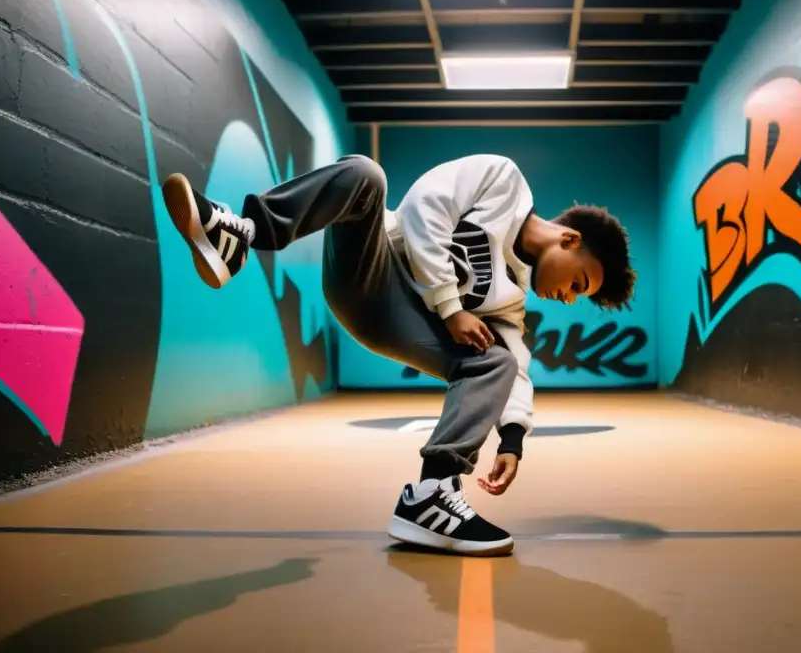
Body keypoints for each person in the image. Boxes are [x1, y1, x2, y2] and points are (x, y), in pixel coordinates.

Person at [161, 153, 635, 556]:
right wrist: (451, 308)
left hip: (394, 317)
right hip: (372, 266)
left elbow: (517, 367)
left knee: (498, 361)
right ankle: (240, 235)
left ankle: (431, 496)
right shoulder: (502, 181)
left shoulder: (511, 299)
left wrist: (512, 440)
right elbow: (425, 207)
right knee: (366, 175)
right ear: (569, 240)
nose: (569, 296)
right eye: (579, 283)